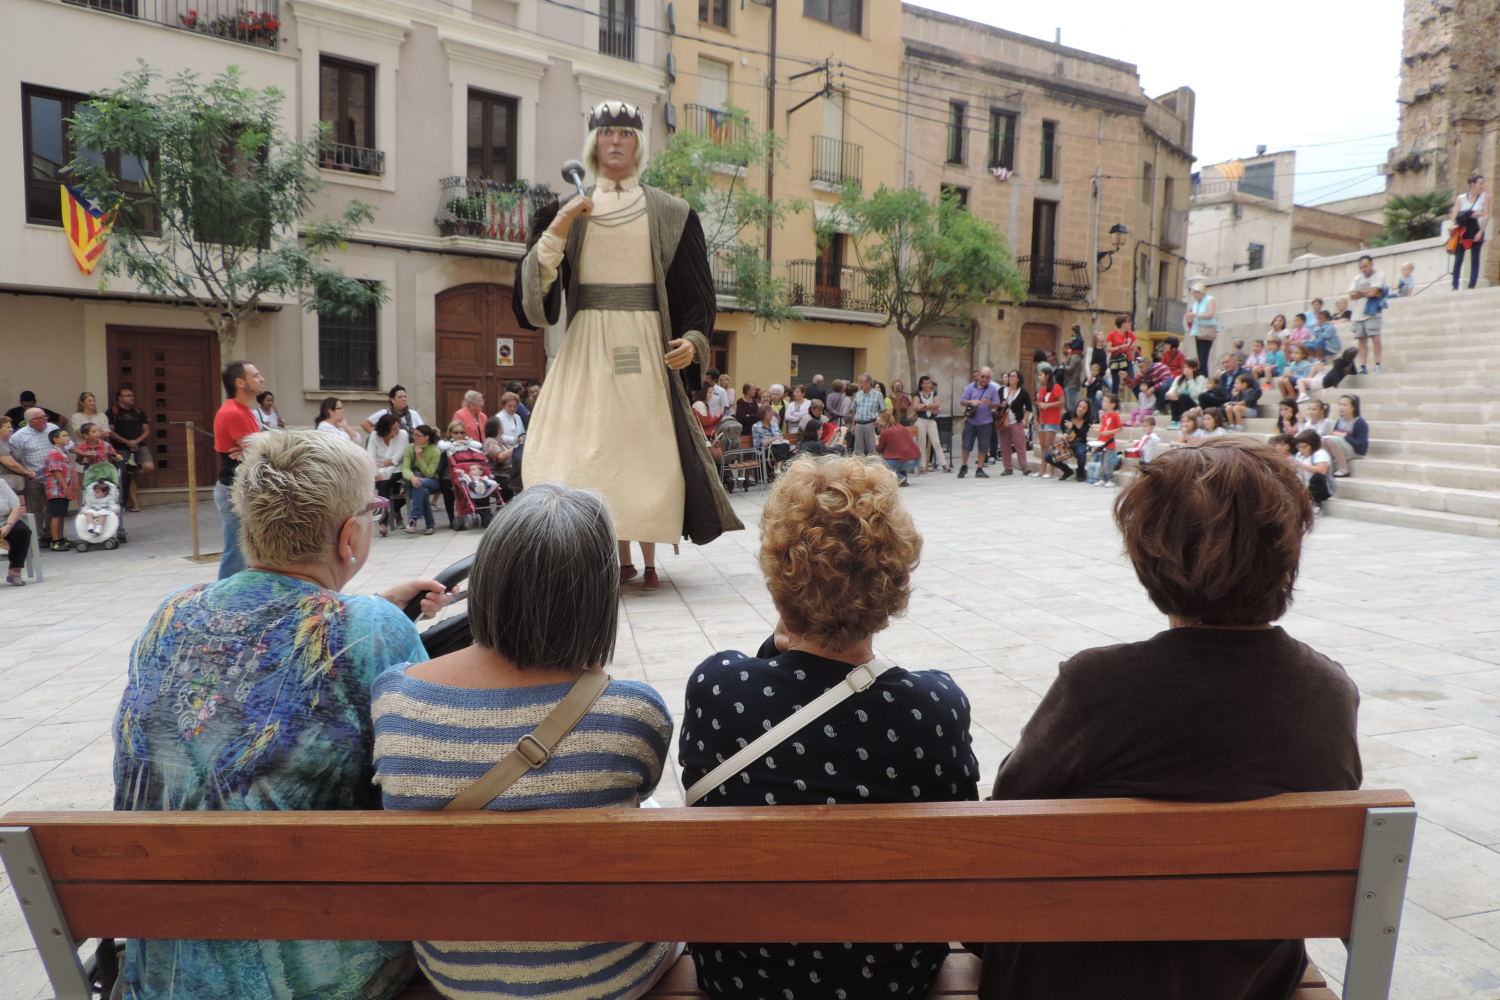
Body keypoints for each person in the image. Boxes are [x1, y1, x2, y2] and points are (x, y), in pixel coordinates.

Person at [979, 437, 1358, 1000]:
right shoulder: (1329, 692)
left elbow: (1006, 819)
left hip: (1075, 977)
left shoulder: (1097, 687)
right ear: (1286, 551)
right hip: (1246, 980)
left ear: (1151, 558)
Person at [112, 428, 449, 1000]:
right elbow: (430, 786)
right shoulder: (370, 630)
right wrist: (374, 617)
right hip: (319, 973)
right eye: (374, 509)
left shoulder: (171, 614)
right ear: (350, 536)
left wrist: (372, 609)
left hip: (166, 971)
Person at [679, 455, 978, 1000]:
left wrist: (787, 634)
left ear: (778, 573)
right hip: (892, 978)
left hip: (742, 976)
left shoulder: (717, 688)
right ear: (894, 580)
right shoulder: (934, 707)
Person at [369, 482, 677, 1000]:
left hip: (455, 973)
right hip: (607, 976)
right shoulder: (633, 711)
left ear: (487, 578)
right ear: (598, 597)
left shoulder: (395, 697)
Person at [512, 100, 743, 594]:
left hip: (646, 346)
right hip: (585, 345)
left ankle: (647, 556)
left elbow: (699, 298)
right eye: (606, 132)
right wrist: (559, 228)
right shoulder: (562, 210)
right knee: (574, 450)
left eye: (626, 133)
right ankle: (591, 555)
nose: (615, 140)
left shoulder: (673, 213)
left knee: (647, 452)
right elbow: (534, 298)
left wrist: (695, 341)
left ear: (639, 144)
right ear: (592, 143)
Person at [213, 361, 266, 580]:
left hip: (243, 488)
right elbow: (263, 451)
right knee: (236, 554)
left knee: (247, 553)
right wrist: (259, 448)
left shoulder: (245, 411)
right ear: (241, 382)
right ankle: (223, 604)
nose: (261, 379)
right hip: (233, 490)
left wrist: (258, 448)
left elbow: (260, 448)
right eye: (256, 375)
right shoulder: (234, 413)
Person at [9, 408, 57, 541]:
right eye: (41, 417)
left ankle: (51, 535)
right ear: (31, 421)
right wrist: (27, 471)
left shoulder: (53, 428)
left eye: (45, 416)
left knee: (52, 508)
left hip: (53, 477)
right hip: (33, 477)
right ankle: (37, 537)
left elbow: (66, 445)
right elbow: (16, 459)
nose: (45, 419)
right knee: (35, 509)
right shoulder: (18, 437)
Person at [106, 387, 153, 511]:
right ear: (120, 398)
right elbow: (110, 431)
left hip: (139, 446)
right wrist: (127, 442)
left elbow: (146, 430)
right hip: (121, 448)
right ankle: (133, 504)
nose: (131, 397)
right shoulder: (113, 412)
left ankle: (132, 474)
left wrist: (135, 442)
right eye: (128, 395)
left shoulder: (138, 411)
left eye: (132, 395)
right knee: (122, 474)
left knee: (148, 467)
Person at [370, 414, 409, 537]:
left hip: (397, 468)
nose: (397, 430)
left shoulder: (402, 435)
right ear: (385, 430)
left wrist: (380, 466)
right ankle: (383, 521)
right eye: (394, 428)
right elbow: (369, 456)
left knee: (385, 484)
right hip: (377, 470)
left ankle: (385, 520)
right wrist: (375, 472)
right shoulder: (374, 436)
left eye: (398, 427)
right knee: (381, 484)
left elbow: (396, 458)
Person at [958, 367, 1002, 478]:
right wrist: (972, 401)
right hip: (971, 421)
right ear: (978, 376)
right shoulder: (970, 387)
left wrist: (989, 403)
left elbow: (997, 405)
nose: (984, 379)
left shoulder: (992, 389)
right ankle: (964, 466)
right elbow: (962, 401)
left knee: (983, 446)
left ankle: (980, 468)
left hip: (986, 422)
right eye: (983, 377)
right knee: (966, 444)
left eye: (987, 377)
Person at [1349, 254, 1389, 374]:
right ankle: (1363, 366)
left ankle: (1378, 364)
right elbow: (1352, 295)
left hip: (1372, 312)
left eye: (1365, 266)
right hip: (1358, 313)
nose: (1363, 269)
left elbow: (1374, 292)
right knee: (1362, 340)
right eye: (1361, 267)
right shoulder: (1357, 278)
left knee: (1375, 338)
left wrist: (1360, 292)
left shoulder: (1379, 275)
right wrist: (1367, 292)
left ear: (1371, 264)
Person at [402, 424, 442, 534]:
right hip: (417, 482)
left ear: (426, 437)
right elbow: (405, 468)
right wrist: (412, 477)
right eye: (414, 435)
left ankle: (413, 518)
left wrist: (419, 458)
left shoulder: (435, 451)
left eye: (417, 435)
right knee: (422, 490)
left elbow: (429, 474)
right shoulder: (410, 448)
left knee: (421, 483)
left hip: (432, 481)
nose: (414, 437)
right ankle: (430, 525)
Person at [68, 392, 109, 497]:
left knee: (101, 480)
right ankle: (81, 508)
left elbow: (107, 433)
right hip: (83, 450)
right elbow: (80, 433)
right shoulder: (77, 416)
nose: (93, 403)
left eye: (94, 400)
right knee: (82, 481)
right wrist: (99, 433)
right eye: (89, 401)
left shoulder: (101, 416)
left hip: (100, 450)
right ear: (82, 403)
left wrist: (93, 433)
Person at [1452, 173, 1488, 291]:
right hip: (1463, 230)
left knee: (1475, 259)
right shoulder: (1461, 198)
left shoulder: (1485, 197)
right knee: (1458, 259)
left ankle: (1472, 285)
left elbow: (1486, 214)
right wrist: (1470, 214)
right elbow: (1455, 216)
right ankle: (1455, 286)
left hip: (1476, 228)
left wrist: (1481, 231)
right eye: (1480, 183)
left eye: (1483, 183)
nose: (1482, 186)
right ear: (1473, 184)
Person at [1324, 394, 1369, 477]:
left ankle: (1344, 469)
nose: (1341, 407)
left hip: (1355, 451)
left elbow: (1362, 447)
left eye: (1344, 405)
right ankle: (1332, 468)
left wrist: (1344, 436)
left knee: (1331, 440)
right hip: (1341, 448)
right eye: (1340, 405)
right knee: (1323, 441)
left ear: (1353, 408)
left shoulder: (1359, 423)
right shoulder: (1339, 421)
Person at [1292, 346, 1359, 402]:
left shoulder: (1339, 362)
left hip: (1322, 383)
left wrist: (1334, 386)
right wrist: (1352, 363)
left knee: (1299, 380)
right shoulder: (1348, 364)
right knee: (1317, 363)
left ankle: (1302, 395)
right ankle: (1308, 383)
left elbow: (1337, 373)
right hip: (1324, 378)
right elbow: (1354, 373)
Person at [43, 428, 74, 550]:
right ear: (56, 439)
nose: (68, 438)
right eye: (64, 435)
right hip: (57, 489)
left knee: (61, 514)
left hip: (64, 489)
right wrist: (64, 486)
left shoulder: (63, 452)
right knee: (56, 514)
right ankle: (55, 540)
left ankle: (61, 538)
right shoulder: (54, 453)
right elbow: (55, 470)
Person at [912, 375, 948, 473]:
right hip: (921, 420)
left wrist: (925, 405)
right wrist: (931, 408)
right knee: (922, 443)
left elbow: (937, 404)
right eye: (926, 383)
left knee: (936, 442)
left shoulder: (934, 393)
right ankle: (923, 466)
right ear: (921, 385)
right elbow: (916, 407)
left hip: (931, 421)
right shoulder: (918, 394)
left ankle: (944, 464)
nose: (928, 385)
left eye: (929, 383)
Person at [1033, 368, 1065, 479]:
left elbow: (1062, 401)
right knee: (1043, 446)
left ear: (1047, 376)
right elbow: (1038, 404)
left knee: (1050, 445)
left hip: (1052, 420)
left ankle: (1051, 471)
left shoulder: (1056, 387)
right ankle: (1042, 470)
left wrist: (1047, 405)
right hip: (1042, 419)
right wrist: (1036, 419)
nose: (1039, 377)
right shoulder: (1042, 389)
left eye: (1041, 375)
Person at [875, 407, 920, 484]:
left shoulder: (886, 432)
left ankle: (899, 477)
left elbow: (879, 449)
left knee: (881, 464)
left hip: (903, 461)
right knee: (899, 457)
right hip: (916, 459)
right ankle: (904, 480)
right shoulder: (901, 427)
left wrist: (876, 439)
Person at [1293, 429, 1335, 512]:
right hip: (1303, 486)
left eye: (1304, 447)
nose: (1301, 449)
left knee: (1317, 477)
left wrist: (1300, 465)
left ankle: (1315, 504)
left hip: (1320, 488)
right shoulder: (1299, 455)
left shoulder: (1320, 453)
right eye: (1299, 447)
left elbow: (1322, 470)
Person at [0, 477, 31, 586]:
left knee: (22, 530)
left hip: (6, 521)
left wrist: (8, 526)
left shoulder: (1, 483)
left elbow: (16, 506)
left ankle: (15, 572)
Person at [847, 373, 885, 457]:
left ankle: (874, 467)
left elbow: (883, 410)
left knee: (872, 448)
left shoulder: (878, 395)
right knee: (858, 450)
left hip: (871, 423)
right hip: (859, 424)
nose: (860, 385)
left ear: (869, 383)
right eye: (859, 382)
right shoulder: (858, 395)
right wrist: (853, 425)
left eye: (862, 382)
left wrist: (878, 418)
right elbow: (855, 411)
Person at [1185, 280, 1218, 371]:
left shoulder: (1210, 300)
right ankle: (1201, 374)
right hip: (1197, 330)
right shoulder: (1196, 303)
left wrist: (1196, 315)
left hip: (1206, 329)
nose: (1194, 295)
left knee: (1203, 356)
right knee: (1200, 356)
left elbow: (1211, 314)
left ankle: (1203, 375)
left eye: (1195, 293)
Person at [1091, 393, 1121, 486]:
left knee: (1107, 461)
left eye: (1106, 402)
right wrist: (1098, 431)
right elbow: (1104, 428)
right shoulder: (1104, 416)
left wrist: (1109, 432)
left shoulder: (1115, 415)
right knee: (1102, 461)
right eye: (1103, 401)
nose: (1103, 403)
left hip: (1110, 443)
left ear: (1113, 405)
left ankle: (1111, 479)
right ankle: (1103, 478)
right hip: (1102, 443)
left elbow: (1120, 428)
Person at [0, 417, 28, 493]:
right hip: (5, 486)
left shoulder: (9, 443)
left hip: (13, 485)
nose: (11, 429)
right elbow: (11, 464)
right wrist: (28, 473)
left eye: (11, 427)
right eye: (8, 427)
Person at [1060, 342, 1085, 416]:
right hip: (1068, 383)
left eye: (1063, 349)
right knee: (1067, 406)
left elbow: (1069, 369)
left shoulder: (1075, 357)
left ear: (1068, 348)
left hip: (1072, 383)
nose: (1062, 351)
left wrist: (1064, 364)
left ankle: (1074, 420)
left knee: (1071, 406)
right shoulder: (1071, 357)